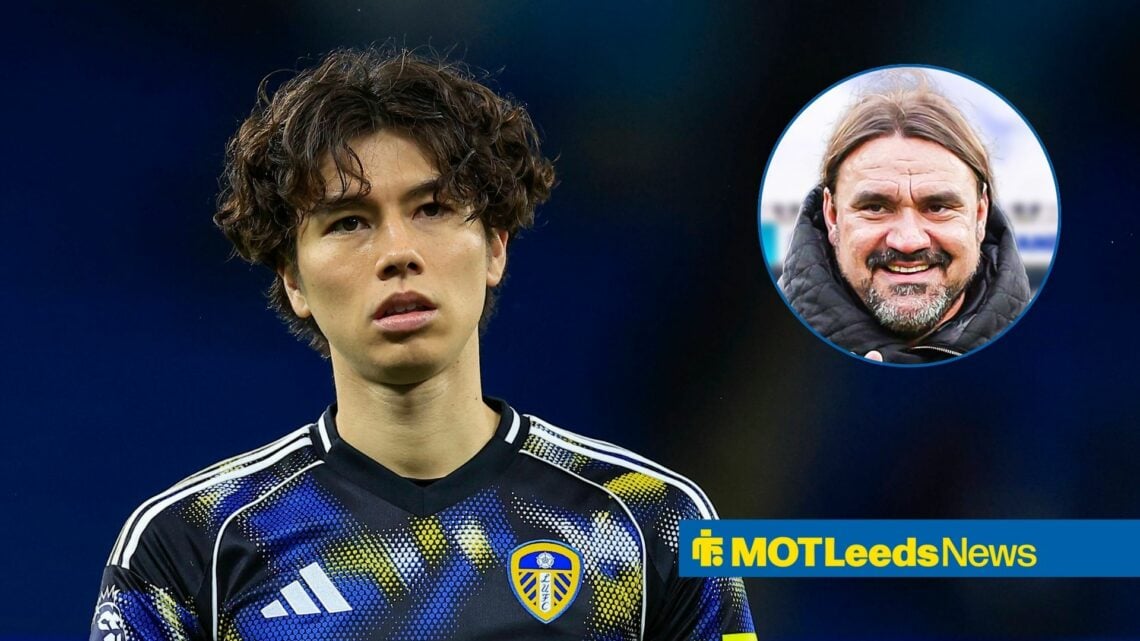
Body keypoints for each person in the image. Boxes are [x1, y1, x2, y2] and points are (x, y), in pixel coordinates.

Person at [89, 48, 755, 641]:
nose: (397, 253)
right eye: (349, 222)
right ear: (293, 279)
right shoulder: (191, 545)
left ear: (495, 247)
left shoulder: (652, 522)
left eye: (432, 209)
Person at [778, 73, 1031, 364]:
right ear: (832, 215)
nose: (908, 241)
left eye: (937, 207)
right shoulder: (758, 354)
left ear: (980, 214)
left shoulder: (1047, 351)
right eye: (875, 207)